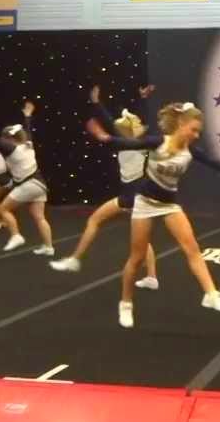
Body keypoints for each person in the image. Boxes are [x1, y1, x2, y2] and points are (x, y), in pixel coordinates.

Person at [91, 101, 220, 329]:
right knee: (137, 258)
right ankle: (126, 303)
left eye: (199, 131)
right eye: (194, 130)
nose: (196, 135)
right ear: (181, 124)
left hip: (169, 205)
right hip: (144, 203)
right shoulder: (158, 142)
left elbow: (218, 165)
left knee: (192, 249)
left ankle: (211, 294)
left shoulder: (191, 151)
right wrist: (105, 138)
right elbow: (129, 143)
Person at [49, 85, 157, 288]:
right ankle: (152, 277)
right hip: (139, 195)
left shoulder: (127, 142)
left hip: (130, 196)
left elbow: (111, 123)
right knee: (141, 239)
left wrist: (97, 104)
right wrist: (142, 99)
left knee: (94, 220)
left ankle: (74, 259)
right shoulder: (139, 141)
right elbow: (126, 122)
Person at [0, 101, 52, 255]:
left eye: (5, 138)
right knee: (40, 217)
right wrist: (27, 116)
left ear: (10, 138)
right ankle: (48, 247)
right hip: (40, 184)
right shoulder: (28, 144)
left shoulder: (12, 148)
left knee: (3, 209)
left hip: (29, 184)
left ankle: (16, 236)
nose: (3, 141)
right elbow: (28, 130)